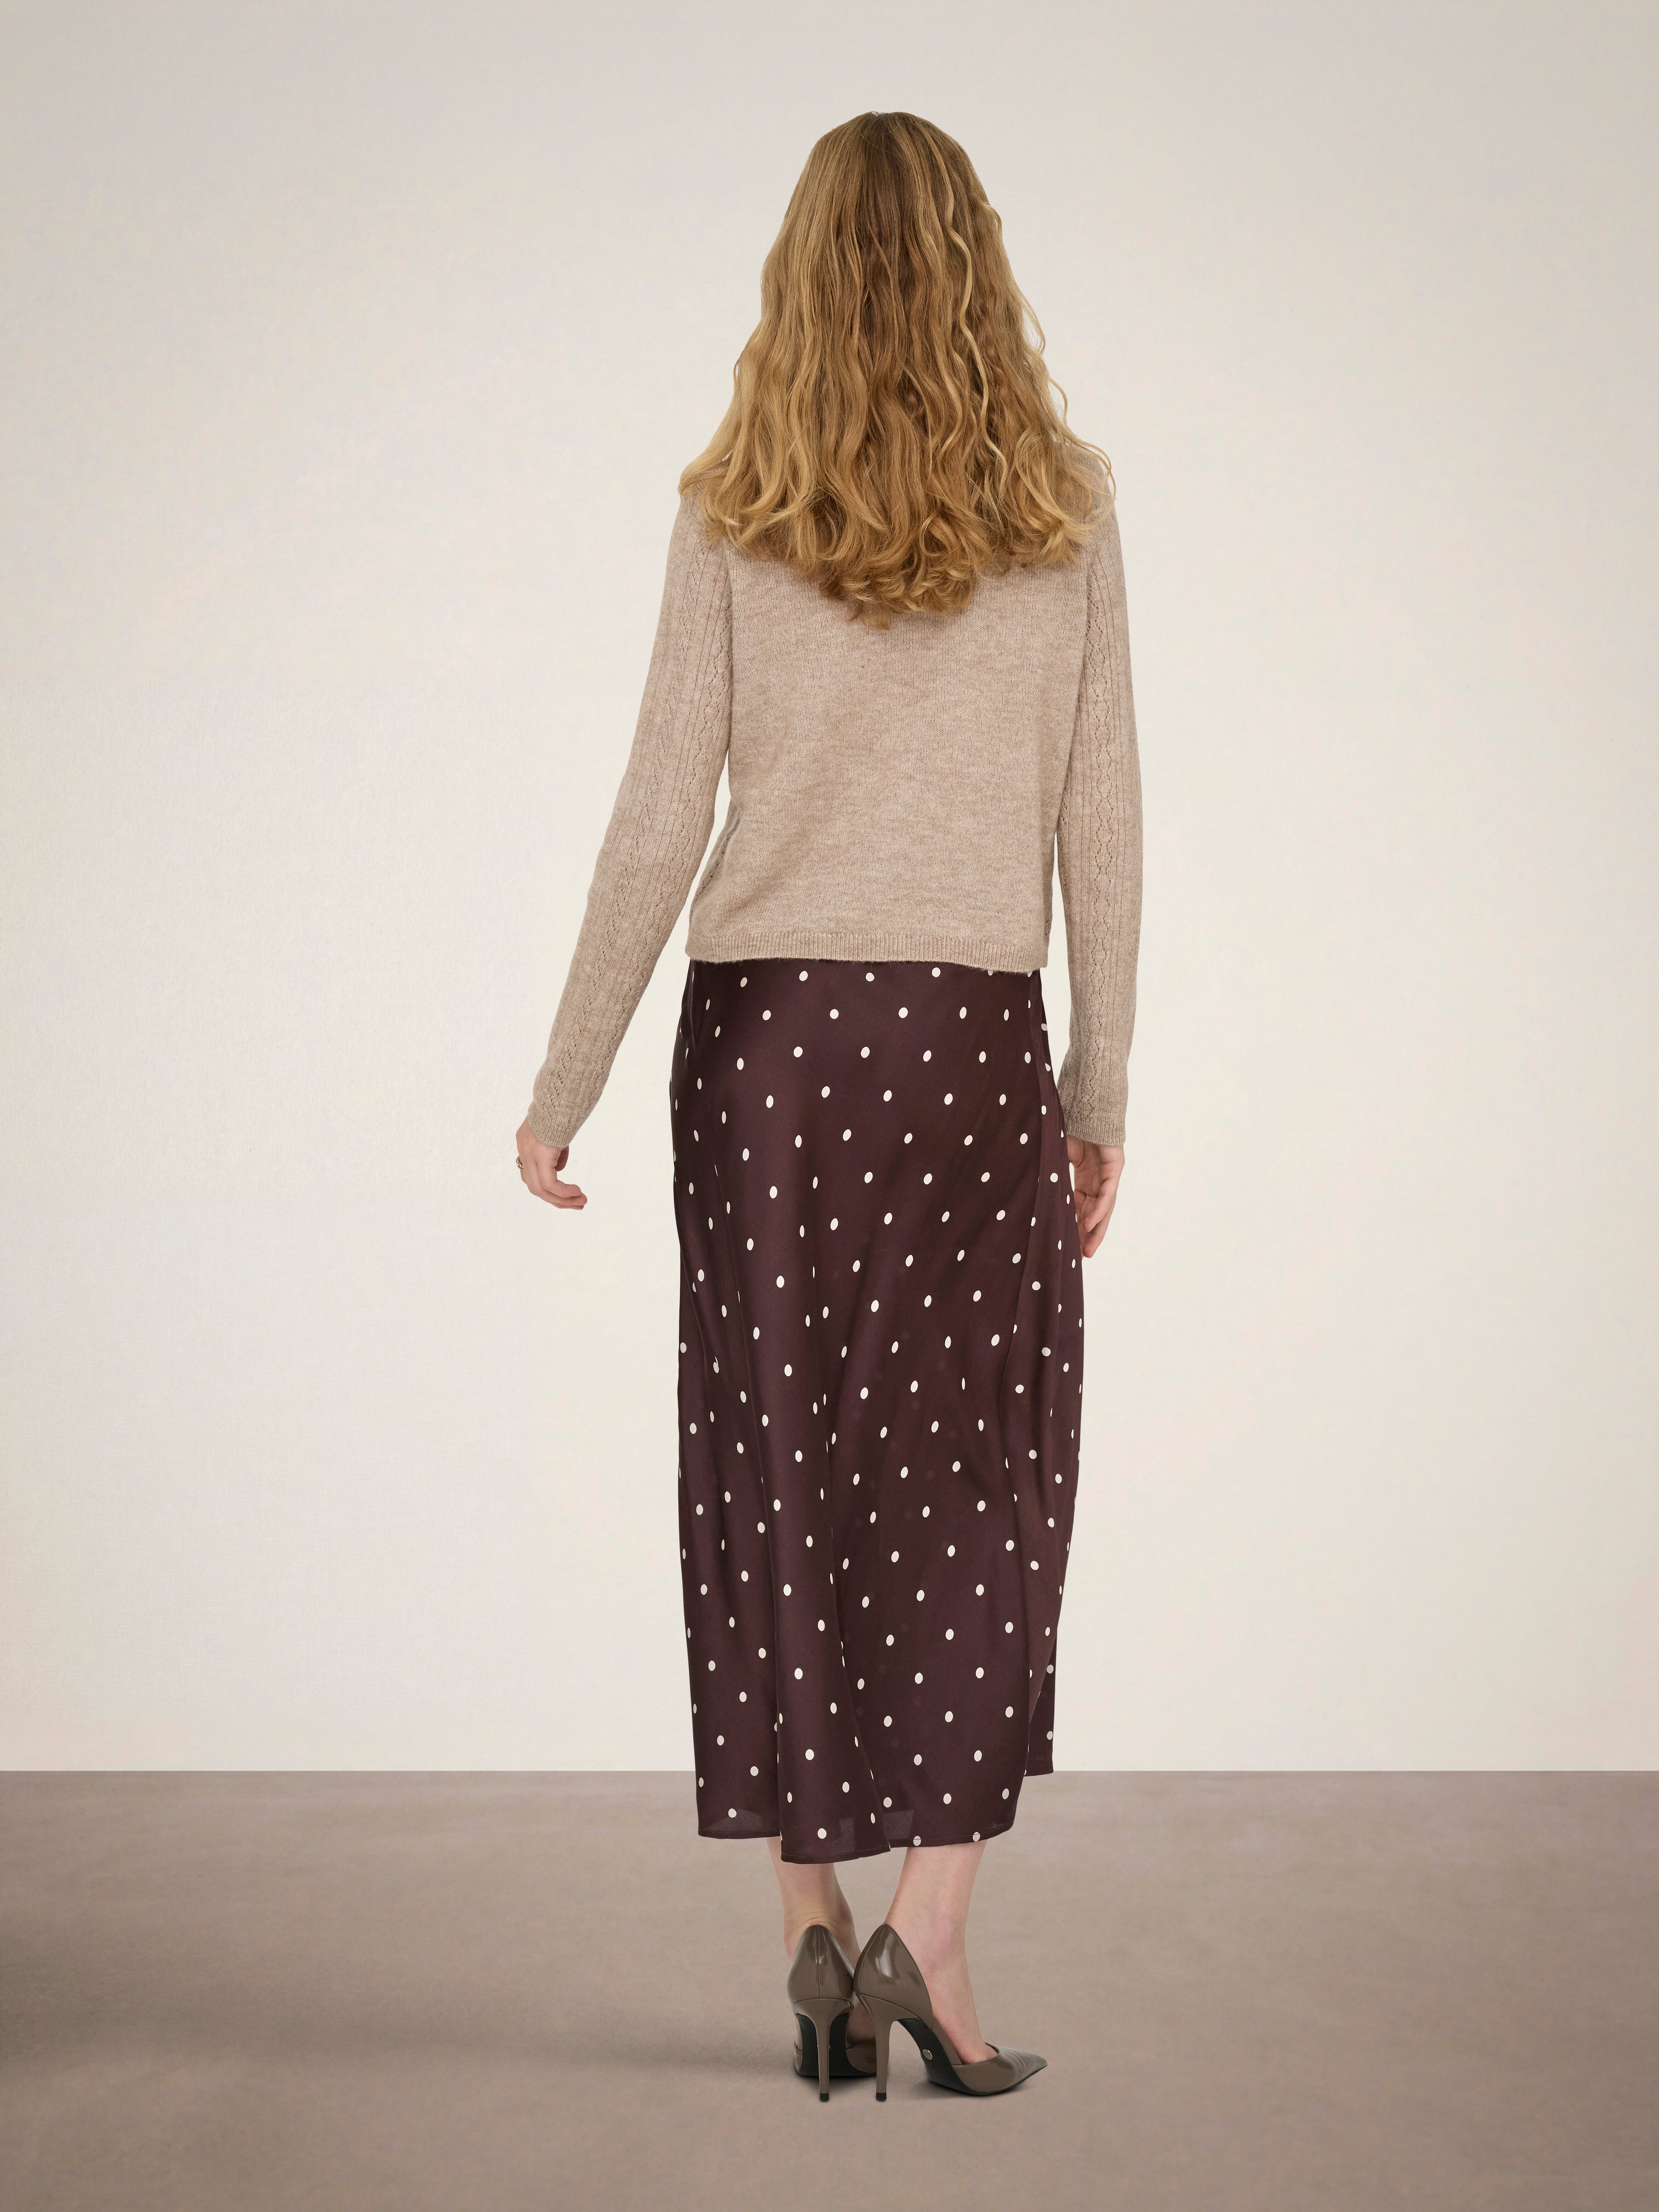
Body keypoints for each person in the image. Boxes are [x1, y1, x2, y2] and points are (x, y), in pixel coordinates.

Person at [516, 110, 1142, 2101]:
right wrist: (1098, 1083)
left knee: (771, 1461)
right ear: (979, 271)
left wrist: (562, 1085)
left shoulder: (732, 510)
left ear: (794, 275)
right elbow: (1103, 821)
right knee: (980, 1471)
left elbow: (655, 812)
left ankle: (808, 1921)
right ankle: (926, 1926)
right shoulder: (1063, 510)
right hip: (960, 1051)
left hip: (768, 1054)